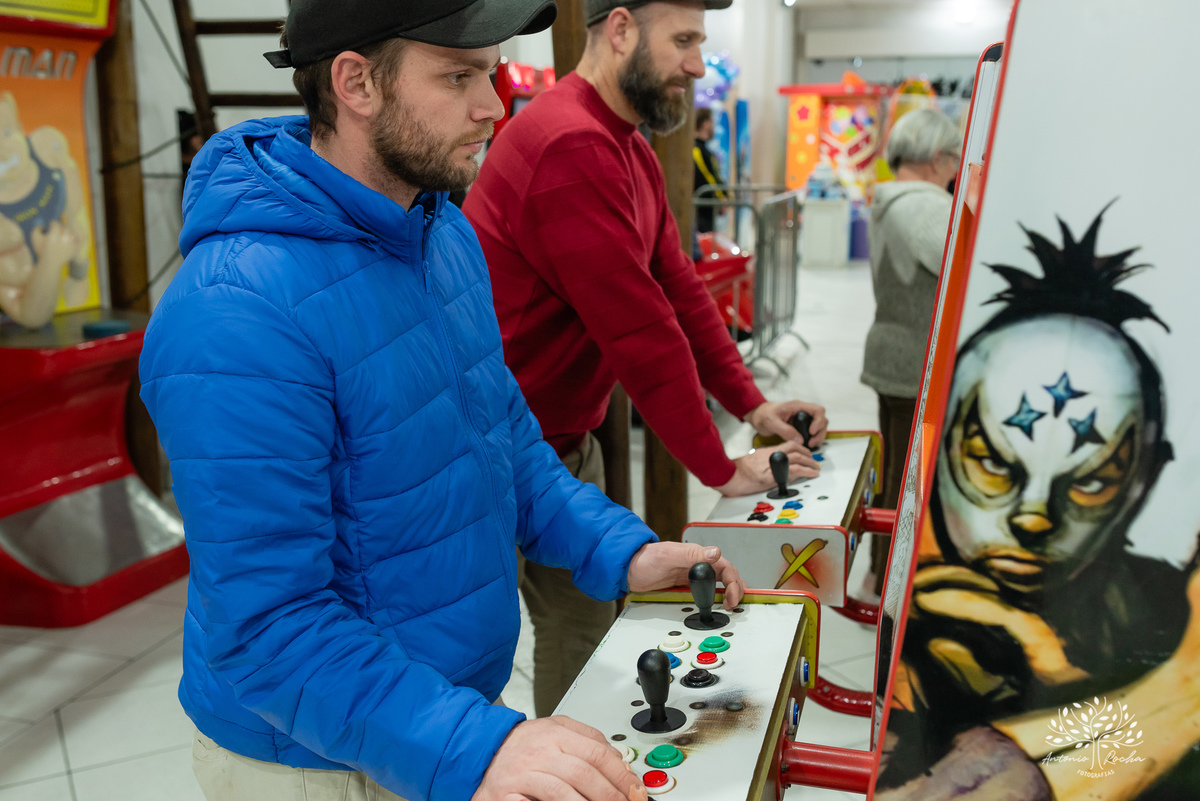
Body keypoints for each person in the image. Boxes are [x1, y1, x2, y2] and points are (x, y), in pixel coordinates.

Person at [138, 2, 747, 800]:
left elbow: (507, 443)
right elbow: (267, 627)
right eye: (458, 77)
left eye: (488, 74)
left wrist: (622, 550)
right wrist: (472, 744)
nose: (493, 106)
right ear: (357, 83)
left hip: (432, 715)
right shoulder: (237, 310)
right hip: (318, 759)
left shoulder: (439, 234)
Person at [463, 0, 828, 718]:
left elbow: (679, 288)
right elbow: (640, 332)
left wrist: (753, 405)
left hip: (558, 447)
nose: (697, 65)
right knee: (477, 661)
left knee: (582, 630)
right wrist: (721, 468)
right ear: (622, 29)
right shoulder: (569, 143)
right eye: (683, 40)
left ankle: (575, 764)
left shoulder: (626, 145)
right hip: (485, 454)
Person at [859, 108, 961, 595]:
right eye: (955, 158)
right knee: (906, 481)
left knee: (894, 474)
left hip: (893, 354)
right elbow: (964, 268)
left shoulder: (890, 199)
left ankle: (880, 574)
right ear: (937, 158)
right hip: (915, 362)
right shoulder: (927, 208)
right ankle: (889, 583)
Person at [0, 91, 92, 328]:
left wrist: (78, 273)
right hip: (26, 319)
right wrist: (51, 259)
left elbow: (77, 217)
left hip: (72, 297)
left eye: (7, 133)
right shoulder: (6, 234)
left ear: (20, 128)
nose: (3, 149)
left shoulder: (48, 149)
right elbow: (30, 317)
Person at [692, 106, 725, 234]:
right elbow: (706, 177)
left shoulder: (706, 150)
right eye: (712, 122)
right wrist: (721, 198)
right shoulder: (696, 149)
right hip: (702, 211)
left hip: (708, 209)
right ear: (705, 124)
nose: (713, 126)